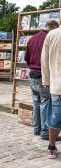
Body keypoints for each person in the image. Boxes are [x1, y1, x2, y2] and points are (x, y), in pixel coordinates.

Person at [24, 20, 59, 140]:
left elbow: (26, 59)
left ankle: (37, 129)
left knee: (36, 102)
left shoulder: (32, 38)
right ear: (54, 28)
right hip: (43, 75)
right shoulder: (51, 38)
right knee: (45, 103)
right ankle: (45, 132)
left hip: (32, 75)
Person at [41, 22, 61, 159]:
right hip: (57, 85)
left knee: (55, 117)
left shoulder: (52, 34)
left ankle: (51, 146)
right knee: (55, 117)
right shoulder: (53, 34)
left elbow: (44, 60)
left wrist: (46, 81)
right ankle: (51, 146)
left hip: (57, 84)